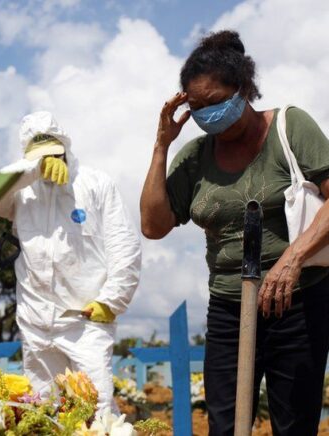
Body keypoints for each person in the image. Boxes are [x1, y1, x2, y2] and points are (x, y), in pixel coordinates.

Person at [140, 30, 329, 435]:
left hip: (297, 304)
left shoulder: (289, 127)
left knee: (294, 425)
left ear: (243, 89)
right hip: (228, 309)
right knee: (224, 426)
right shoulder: (196, 156)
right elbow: (153, 226)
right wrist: (161, 147)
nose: (208, 114)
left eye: (215, 102)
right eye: (197, 107)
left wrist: (292, 259)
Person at [0, 111, 141, 412]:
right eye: (39, 154)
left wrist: (111, 301)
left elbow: (125, 247)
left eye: (53, 151)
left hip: (83, 320)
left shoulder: (95, 184)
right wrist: (34, 169)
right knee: (44, 411)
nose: (49, 159)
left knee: (97, 407)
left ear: (65, 146)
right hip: (36, 323)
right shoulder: (21, 193)